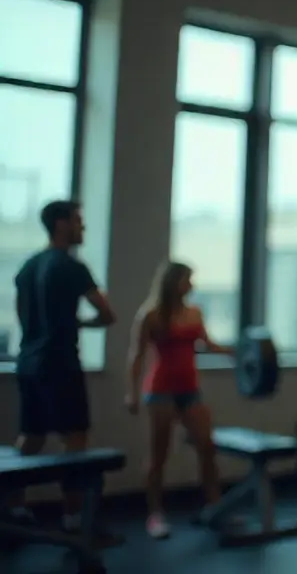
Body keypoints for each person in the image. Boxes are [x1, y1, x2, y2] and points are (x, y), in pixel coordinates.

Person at [6, 200, 116, 530]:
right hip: (60, 363)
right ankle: (73, 519)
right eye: (78, 221)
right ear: (61, 224)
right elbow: (107, 314)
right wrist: (80, 323)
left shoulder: (28, 267)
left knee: (32, 436)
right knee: (75, 439)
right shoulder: (72, 266)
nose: (83, 227)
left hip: (28, 362)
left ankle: (14, 509)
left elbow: (23, 316)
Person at [125, 261, 232, 539]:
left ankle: (215, 507)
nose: (192, 285)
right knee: (159, 454)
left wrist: (237, 352)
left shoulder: (195, 312)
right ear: (173, 283)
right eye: (187, 280)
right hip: (160, 390)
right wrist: (131, 393)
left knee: (207, 446)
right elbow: (136, 355)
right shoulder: (150, 315)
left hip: (189, 389)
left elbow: (207, 344)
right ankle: (155, 515)